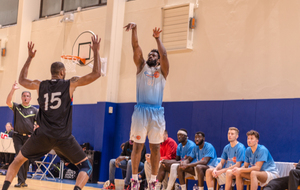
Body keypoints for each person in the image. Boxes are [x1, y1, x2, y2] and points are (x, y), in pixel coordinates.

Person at [1, 35, 101, 190]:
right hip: (63, 137)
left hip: (42, 135)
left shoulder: (40, 85)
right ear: (62, 72)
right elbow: (96, 74)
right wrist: (95, 52)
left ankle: (4, 188)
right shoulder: (70, 84)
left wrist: (29, 58)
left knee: (18, 160)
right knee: (86, 166)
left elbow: (22, 80)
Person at [124, 22, 170, 190]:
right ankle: (135, 180)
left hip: (157, 112)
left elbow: (164, 54)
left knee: (155, 147)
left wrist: (158, 39)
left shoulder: (163, 71)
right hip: (141, 111)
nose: (151, 56)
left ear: (158, 60)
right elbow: (135, 46)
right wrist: (135, 30)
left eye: (154, 55)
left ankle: (152, 181)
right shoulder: (141, 67)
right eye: (150, 54)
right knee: (137, 146)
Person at [6, 81, 38, 188]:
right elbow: (8, 101)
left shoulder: (34, 110)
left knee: (25, 159)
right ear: (21, 97)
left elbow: (39, 124)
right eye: (24, 96)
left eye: (27, 96)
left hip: (29, 138)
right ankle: (20, 180)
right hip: (18, 137)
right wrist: (12, 90)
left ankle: (23, 180)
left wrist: (34, 134)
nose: (25, 97)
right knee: (19, 157)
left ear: (30, 98)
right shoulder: (17, 107)